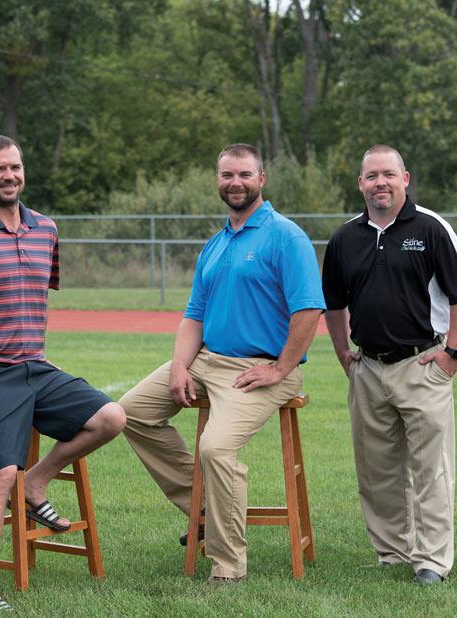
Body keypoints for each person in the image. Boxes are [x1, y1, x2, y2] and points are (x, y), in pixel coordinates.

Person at [0, 135, 125, 611]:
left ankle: (36, 482)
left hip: (35, 366)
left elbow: (35, 294)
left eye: (16, 166)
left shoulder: (46, 229)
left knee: (112, 417)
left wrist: (36, 350)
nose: (9, 175)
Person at [119, 143, 325, 585]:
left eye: (245, 175)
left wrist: (280, 368)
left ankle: (229, 567)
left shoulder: (286, 236)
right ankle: (208, 511)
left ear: (261, 179)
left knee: (215, 448)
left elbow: (308, 311)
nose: (235, 183)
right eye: (227, 175)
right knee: (128, 413)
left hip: (260, 368)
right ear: (218, 180)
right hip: (206, 359)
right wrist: (179, 366)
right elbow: (194, 315)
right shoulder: (215, 244)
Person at [321, 145, 457, 585]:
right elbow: (333, 305)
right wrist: (342, 354)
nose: (380, 183)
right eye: (371, 175)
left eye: (388, 174)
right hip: (368, 368)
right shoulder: (344, 238)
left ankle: (431, 561)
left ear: (405, 178)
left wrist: (452, 355)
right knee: (377, 471)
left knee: (430, 470)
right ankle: (392, 553)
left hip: (422, 365)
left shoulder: (430, 228)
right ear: (360, 184)